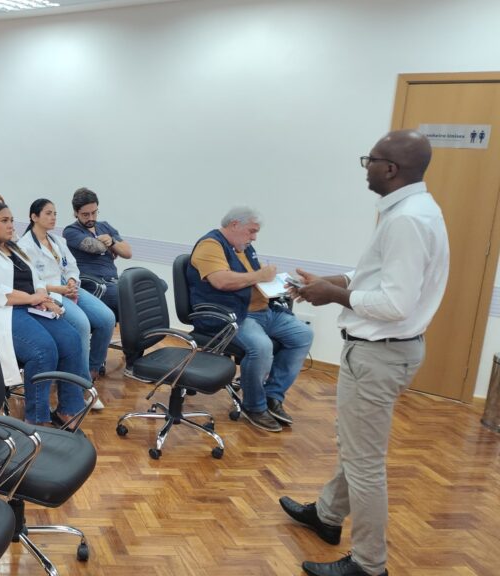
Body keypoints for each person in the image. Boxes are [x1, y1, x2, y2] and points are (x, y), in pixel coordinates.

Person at [280, 130, 449, 576]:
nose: (365, 167)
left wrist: (333, 295)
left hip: (379, 355)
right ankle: (327, 515)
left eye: (369, 160)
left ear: (390, 168)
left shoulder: (407, 220)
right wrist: (332, 282)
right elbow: (377, 275)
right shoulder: (414, 210)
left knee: (365, 464)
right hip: (384, 352)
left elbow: (395, 303)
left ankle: (369, 564)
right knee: (356, 446)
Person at [0, 202, 89, 427]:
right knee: (43, 349)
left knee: (71, 339)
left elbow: (37, 279)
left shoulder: (15, 249)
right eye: (4, 221)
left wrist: (44, 298)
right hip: (0, 311)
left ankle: (68, 409)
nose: (11, 225)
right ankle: (36, 419)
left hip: (30, 306)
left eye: (11, 220)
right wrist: (31, 298)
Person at [186, 206, 314, 432]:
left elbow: (251, 277)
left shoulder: (243, 248)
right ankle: (254, 406)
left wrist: (276, 281)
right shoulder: (210, 245)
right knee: (261, 347)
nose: (254, 237)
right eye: (251, 231)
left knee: (303, 335)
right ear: (234, 224)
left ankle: (273, 396)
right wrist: (260, 275)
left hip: (263, 311)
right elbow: (221, 281)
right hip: (231, 315)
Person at [17, 198, 115, 410]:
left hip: (68, 287)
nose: (53, 217)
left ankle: (90, 370)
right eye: (48, 213)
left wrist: (71, 281)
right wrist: (61, 289)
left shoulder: (57, 240)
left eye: (55, 213)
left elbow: (71, 266)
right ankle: (82, 387)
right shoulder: (24, 246)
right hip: (49, 293)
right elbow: (32, 282)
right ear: (34, 217)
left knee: (107, 318)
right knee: (82, 325)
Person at [62, 187, 132, 318]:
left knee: (156, 285)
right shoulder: (71, 231)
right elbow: (96, 247)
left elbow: (127, 252)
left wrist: (112, 242)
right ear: (76, 212)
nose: (91, 218)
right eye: (85, 214)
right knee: (130, 296)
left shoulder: (104, 226)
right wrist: (112, 245)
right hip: (93, 285)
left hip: (113, 281)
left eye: (94, 213)